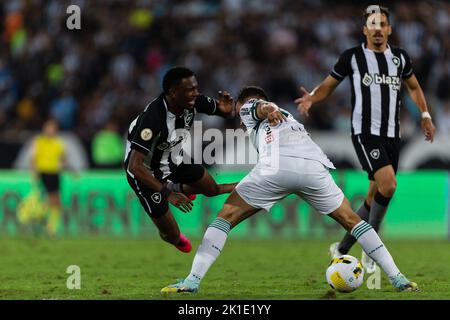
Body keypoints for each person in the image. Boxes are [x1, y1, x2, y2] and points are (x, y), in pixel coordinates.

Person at [161, 86, 418, 294]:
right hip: (312, 169)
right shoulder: (290, 118)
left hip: (275, 168)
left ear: (243, 103)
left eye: (239, 109)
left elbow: (261, 107)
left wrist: (267, 108)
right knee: (353, 221)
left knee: (223, 220)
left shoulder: (251, 106)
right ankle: (398, 278)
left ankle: (192, 281)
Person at [295, 5, 436, 273]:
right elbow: (329, 84)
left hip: (393, 135)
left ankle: (342, 248)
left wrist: (426, 114)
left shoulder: (400, 59)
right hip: (365, 133)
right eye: (373, 24)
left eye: (382, 24)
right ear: (365, 30)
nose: (378, 29)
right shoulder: (352, 57)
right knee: (389, 185)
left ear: (389, 29)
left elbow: (414, 87)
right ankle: (373, 248)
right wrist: (312, 96)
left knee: (374, 195)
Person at [124, 66, 237, 253]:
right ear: (174, 92)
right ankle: (172, 219)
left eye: (196, 88)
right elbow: (134, 166)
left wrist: (226, 110)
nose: (196, 93)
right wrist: (168, 194)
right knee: (173, 236)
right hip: (145, 172)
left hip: (174, 159)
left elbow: (224, 110)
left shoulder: (192, 102)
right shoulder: (153, 119)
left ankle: (179, 186)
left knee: (212, 189)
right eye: (191, 89)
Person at [29, 118, 66, 237]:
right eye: (48, 128)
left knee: (55, 201)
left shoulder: (59, 143)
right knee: (46, 199)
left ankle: (51, 227)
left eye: (52, 128)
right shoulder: (39, 141)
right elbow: (33, 158)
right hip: (43, 172)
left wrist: (63, 166)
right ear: (44, 129)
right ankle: (44, 223)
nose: (50, 131)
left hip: (54, 173)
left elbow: (63, 159)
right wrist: (34, 171)